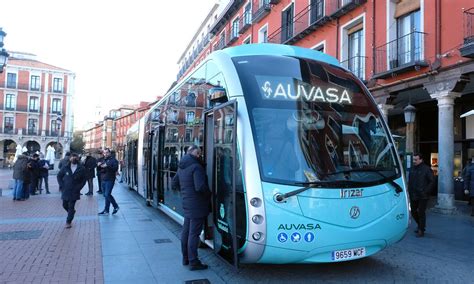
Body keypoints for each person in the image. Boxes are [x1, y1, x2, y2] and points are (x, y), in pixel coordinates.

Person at [172, 145, 211, 271]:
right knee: (194, 234)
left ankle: (186, 258)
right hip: (197, 205)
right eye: (198, 154)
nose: (200, 156)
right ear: (195, 154)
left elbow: (174, 183)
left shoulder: (182, 166)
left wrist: (184, 193)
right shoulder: (196, 167)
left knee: (186, 232)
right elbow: (200, 187)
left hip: (187, 204)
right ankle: (194, 262)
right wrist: (209, 194)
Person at [408, 153, 435, 238]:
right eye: (413, 159)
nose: (414, 161)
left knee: (421, 212)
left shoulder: (427, 169)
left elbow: (432, 181)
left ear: (421, 160)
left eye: (416, 159)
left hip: (423, 195)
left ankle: (421, 230)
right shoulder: (412, 169)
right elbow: (410, 181)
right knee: (413, 211)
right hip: (413, 194)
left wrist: (426, 191)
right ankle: (420, 225)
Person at [57, 153, 86, 228]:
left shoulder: (81, 168)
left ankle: (68, 221)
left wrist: (79, 187)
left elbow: (84, 180)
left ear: (78, 158)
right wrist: (62, 185)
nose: (74, 158)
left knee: (71, 206)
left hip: (75, 190)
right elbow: (59, 176)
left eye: (75, 157)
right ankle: (72, 212)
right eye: (72, 157)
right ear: (70, 158)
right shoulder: (65, 167)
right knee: (64, 205)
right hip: (66, 189)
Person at [98, 148, 120, 215]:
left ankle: (116, 206)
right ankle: (106, 210)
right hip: (103, 179)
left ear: (109, 153)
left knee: (107, 194)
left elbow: (115, 169)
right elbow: (100, 170)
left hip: (110, 179)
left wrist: (107, 166)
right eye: (104, 153)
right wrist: (99, 166)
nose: (105, 154)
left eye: (107, 152)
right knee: (105, 195)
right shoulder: (103, 160)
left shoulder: (114, 160)